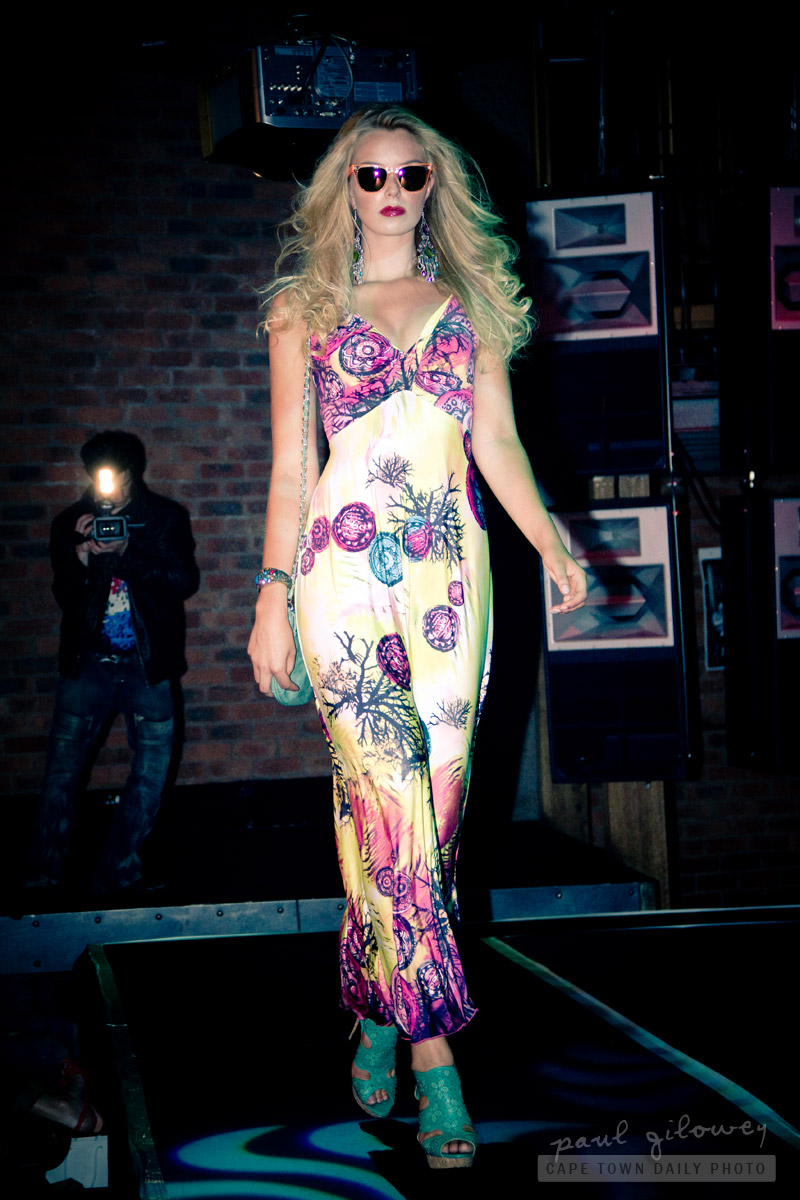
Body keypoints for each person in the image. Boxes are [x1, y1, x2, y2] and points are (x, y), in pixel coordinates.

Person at [247, 106, 586, 1168]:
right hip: (339, 579)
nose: (390, 191)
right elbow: (292, 468)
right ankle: (437, 1057)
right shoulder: (303, 310)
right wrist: (269, 596)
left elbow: (497, 442)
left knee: (428, 817)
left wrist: (552, 541)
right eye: (370, 176)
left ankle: (377, 1004)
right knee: (388, 801)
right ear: (342, 191)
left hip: (450, 582)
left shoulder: (467, 304)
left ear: (434, 185)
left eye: (409, 174)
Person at [26, 431, 199, 895]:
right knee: (62, 768)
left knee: (151, 772)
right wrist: (82, 558)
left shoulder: (163, 518)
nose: (111, 487)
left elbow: (182, 580)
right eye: (101, 477)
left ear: (132, 474)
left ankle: (121, 870)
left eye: (118, 477)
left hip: (147, 663)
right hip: (88, 662)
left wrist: (127, 555)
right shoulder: (71, 523)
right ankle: (44, 873)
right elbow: (65, 597)